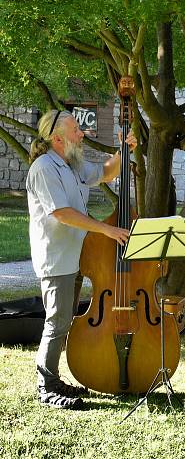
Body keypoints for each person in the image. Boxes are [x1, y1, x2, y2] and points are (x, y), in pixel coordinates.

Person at [26, 109, 136, 409]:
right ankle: (46, 387)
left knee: (64, 320)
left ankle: (54, 379)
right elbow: (61, 213)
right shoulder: (44, 168)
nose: (82, 133)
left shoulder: (72, 164)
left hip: (74, 259)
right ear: (57, 137)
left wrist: (123, 150)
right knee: (57, 322)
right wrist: (106, 229)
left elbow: (106, 173)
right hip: (56, 259)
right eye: (76, 129)